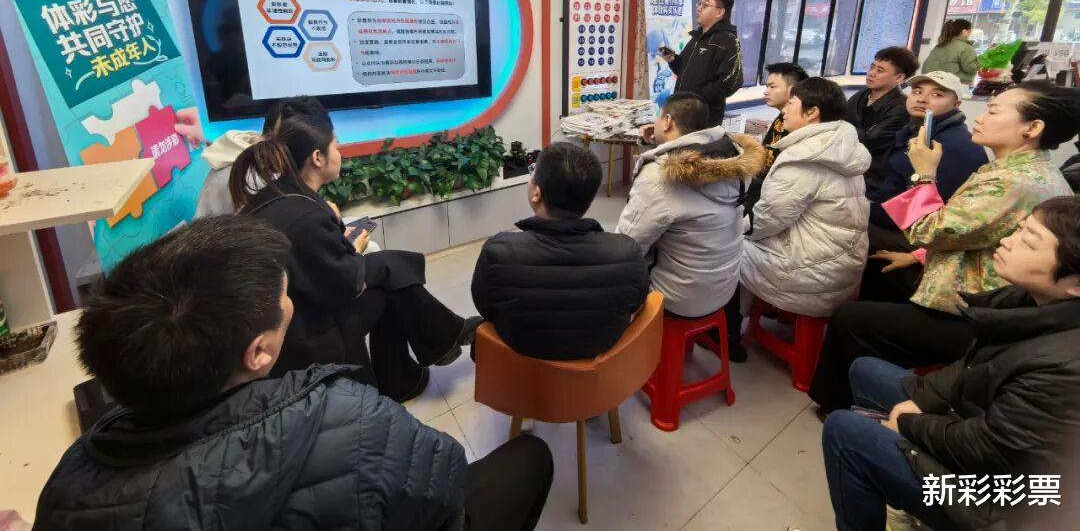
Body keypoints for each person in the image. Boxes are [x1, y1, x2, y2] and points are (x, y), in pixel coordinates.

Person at [35, 217, 553, 530]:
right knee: (531, 457)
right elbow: (445, 481)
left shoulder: (66, 485)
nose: (289, 303)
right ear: (258, 352)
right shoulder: (348, 415)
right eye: (283, 296)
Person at [810, 81, 1080, 413]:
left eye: (994, 111)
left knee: (851, 316)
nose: (980, 117)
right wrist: (917, 256)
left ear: (1033, 128)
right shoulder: (1024, 171)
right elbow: (977, 232)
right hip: (980, 292)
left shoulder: (1013, 183)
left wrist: (924, 174)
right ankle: (882, 380)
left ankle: (840, 404)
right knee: (881, 271)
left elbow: (926, 230)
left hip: (976, 312)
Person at [821, 196, 1080, 531]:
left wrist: (910, 424)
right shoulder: (1030, 301)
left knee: (845, 432)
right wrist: (921, 402)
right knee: (866, 370)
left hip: (1002, 502)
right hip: (985, 429)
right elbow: (972, 365)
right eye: (1019, 230)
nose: (1006, 241)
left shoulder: (1064, 367)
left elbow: (986, 449)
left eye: (1028, 242)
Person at [230, 106, 479, 402]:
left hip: (295, 313)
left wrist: (340, 240)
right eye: (336, 146)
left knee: (391, 274)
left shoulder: (276, 194)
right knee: (393, 279)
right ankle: (435, 348)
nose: (341, 152)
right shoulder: (306, 215)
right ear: (317, 157)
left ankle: (430, 353)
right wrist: (352, 247)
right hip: (302, 335)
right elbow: (347, 283)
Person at [616, 92, 767, 355]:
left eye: (659, 117)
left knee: (613, 268)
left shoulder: (659, 177)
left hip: (678, 296)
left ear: (667, 121)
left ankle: (630, 356)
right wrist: (657, 145)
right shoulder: (733, 157)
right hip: (723, 288)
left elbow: (627, 245)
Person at [471, 142, 648, 360]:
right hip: (598, 359)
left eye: (532, 172)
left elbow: (485, 307)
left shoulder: (498, 252)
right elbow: (635, 303)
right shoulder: (627, 253)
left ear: (537, 193)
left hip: (522, 358)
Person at [740, 77, 871, 317]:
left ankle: (732, 329)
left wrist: (736, 228)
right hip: (842, 266)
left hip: (811, 274)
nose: (784, 110)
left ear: (812, 113)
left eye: (791, 103)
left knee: (727, 246)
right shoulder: (842, 145)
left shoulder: (803, 158)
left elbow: (767, 220)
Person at [860, 71, 989, 303]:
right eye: (917, 91)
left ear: (956, 104)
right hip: (900, 216)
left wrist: (861, 208)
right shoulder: (918, 131)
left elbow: (922, 215)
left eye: (937, 94)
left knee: (841, 224)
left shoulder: (949, 146)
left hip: (922, 234)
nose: (921, 98)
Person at [661, 0, 743, 126]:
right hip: (682, 112)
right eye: (699, 4)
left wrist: (698, 97)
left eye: (705, 5)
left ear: (719, 12)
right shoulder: (698, 37)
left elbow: (732, 82)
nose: (699, 8)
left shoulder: (728, 41)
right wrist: (673, 59)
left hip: (703, 118)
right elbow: (684, 69)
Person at [846, 46, 919, 194]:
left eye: (880, 70)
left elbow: (870, 139)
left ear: (899, 78)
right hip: (849, 164)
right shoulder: (860, 96)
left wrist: (839, 127)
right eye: (872, 67)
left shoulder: (901, 107)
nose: (871, 73)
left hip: (874, 177)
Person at [743, 61, 809, 219]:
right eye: (767, 86)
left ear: (792, 89)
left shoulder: (796, 126)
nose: (766, 92)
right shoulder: (782, 117)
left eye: (772, 87)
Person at [921, 17, 979, 84]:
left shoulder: (940, 45)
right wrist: (980, 61)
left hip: (930, 81)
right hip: (951, 84)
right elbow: (971, 68)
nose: (970, 33)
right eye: (970, 30)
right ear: (964, 31)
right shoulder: (966, 47)